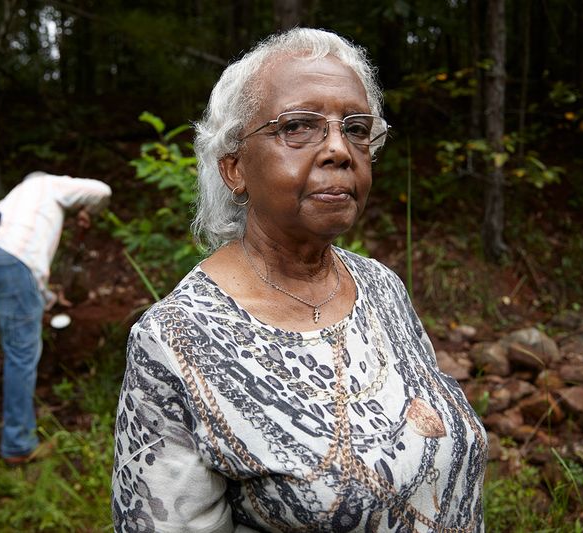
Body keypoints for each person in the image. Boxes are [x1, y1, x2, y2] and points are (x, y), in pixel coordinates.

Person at [111, 28, 487, 531]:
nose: (339, 149)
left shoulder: (380, 285)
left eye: (356, 128)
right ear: (234, 168)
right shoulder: (176, 340)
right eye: (298, 127)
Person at [0, 171, 111, 464]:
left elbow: (24, 274)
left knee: (16, 336)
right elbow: (101, 189)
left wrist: (49, 300)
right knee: (21, 352)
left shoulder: (17, 198)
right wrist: (88, 211)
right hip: (8, 260)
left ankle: (17, 427)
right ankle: (18, 445)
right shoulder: (50, 185)